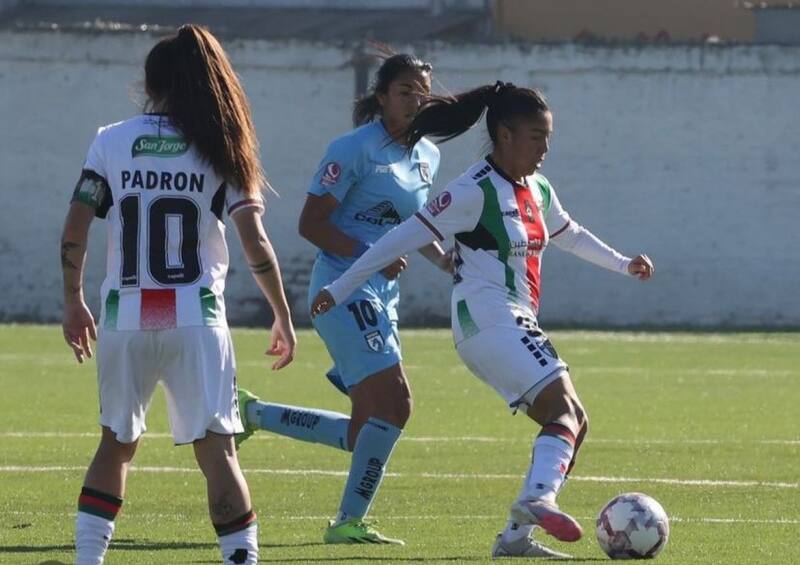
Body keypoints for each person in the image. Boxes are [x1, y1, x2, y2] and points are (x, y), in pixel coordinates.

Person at [310, 81, 654, 559]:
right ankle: (538, 500)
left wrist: (623, 263)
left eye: (548, 138)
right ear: (505, 135)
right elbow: (400, 239)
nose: (544, 149)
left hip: (512, 321)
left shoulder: (537, 188)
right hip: (486, 322)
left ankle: (514, 539)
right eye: (536, 137)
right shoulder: (471, 191)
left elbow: (568, 233)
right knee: (565, 410)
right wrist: (339, 286)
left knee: (574, 422)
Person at [60, 24, 296, 565]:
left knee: (115, 445)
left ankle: (88, 561)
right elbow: (254, 240)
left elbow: (76, 228)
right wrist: (281, 313)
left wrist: (74, 298)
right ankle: (241, 559)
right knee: (218, 451)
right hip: (196, 317)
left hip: (124, 316)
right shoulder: (224, 147)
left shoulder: (111, 139)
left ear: (150, 82)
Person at [236, 53, 451, 545]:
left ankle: (253, 413)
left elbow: (416, 228)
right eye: (405, 91)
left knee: (366, 430)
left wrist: (447, 262)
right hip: (342, 289)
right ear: (382, 98)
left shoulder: (428, 157)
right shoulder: (353, 148)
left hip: (382, 295)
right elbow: (311, 224)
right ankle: (346, 523)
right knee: (396, 405)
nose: (417, 99)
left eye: (423, 90)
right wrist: (371, 254)